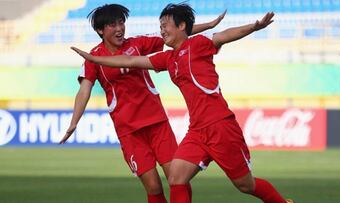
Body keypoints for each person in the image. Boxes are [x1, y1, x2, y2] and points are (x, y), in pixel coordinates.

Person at [71, 3, 294, 203]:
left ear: (181, 27)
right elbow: (131, 60)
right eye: (160, 26)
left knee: (246, 185)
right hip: (196, 131)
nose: (161, 30)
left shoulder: (197, 45)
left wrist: (253, 27)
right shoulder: (168, 58)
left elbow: (223, 36)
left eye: (165, 25)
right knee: (177, 176)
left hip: (219, 126)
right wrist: (93, 59)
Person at [59, 4, 226, 203]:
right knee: (154, 186)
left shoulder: (138, 43)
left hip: (157, 122)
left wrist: (210, 25)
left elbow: (174, 34)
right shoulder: (93, 57)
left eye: (122, 22)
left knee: (177, 177)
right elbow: (84, 89)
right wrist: (74, 122)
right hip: (129, 131)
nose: (119, 28)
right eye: (113, 25)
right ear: (100, 30)